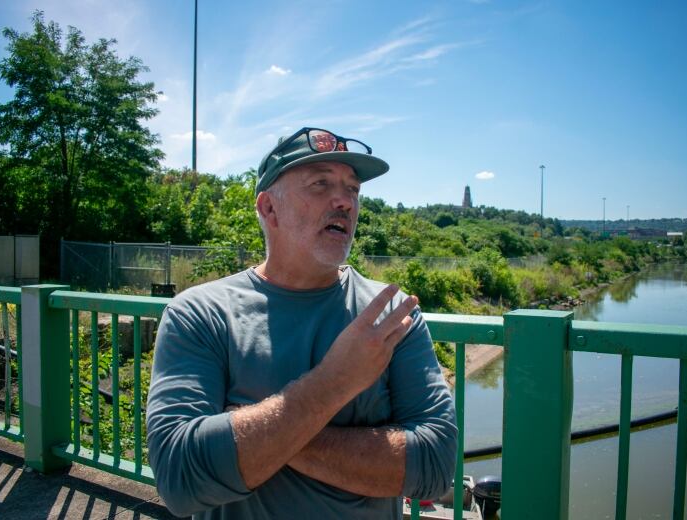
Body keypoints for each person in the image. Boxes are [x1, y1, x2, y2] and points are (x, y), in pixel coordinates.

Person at [146, 127, 457, 519]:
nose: (344, 201)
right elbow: (180, 480)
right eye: (320, 183)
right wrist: (334, 383)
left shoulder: (391, 313)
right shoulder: (201, 313)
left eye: (352, 189)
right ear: (268, 208)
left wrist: (254, 430)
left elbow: (435, 465)